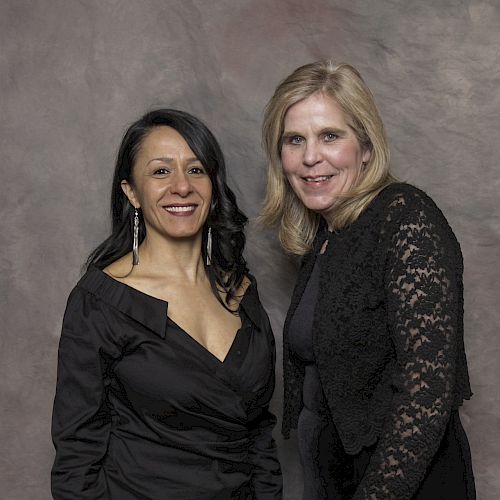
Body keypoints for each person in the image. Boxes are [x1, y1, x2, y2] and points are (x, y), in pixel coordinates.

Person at [260, 61, 475, 499]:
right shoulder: (328, 237)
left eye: (330, 136)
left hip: (401, 485)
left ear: (366, 147)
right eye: (294, 140)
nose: (310, 157)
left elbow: (427, 391)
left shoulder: (404, 217)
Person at [51, 109, 282, 499]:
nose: (182, 187)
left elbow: (259, 434)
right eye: (161, 172)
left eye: (196, 170)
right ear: (131, 192)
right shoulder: (99, 301)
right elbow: (77, 457)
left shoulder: (242, 291)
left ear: (212, 184)